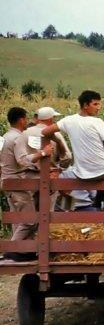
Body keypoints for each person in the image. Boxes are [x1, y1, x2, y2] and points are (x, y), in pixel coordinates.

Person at [42, 90, 104, 211]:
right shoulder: (97, 122)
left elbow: (45, 132)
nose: (99, 108)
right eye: (95, 104)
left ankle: (68, 210)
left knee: (61, 179)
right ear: (85, 105)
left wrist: (58, 140)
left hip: (82, 173)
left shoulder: (68, 120)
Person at [1, 107, 53, 260]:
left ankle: (23, 250)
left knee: (18, 218)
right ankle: (12, 250)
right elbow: (22, 160)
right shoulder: (18, 138)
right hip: (17, 183)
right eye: (26, 119)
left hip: (7, 181)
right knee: (30, 219)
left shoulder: (4, 137)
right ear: (22, 119)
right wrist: (43, 153)